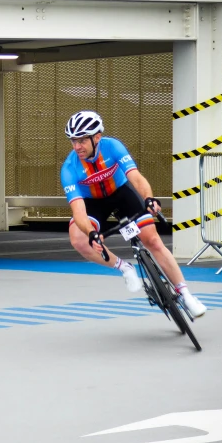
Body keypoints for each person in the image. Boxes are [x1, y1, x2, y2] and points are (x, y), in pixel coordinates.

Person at [60, 110, 207, 317]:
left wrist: (148, 198)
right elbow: (79, 211)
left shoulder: (113, 147)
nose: (77, 147)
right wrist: (91, 233)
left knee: (153, 240)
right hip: (92, 203)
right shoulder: (69, 168)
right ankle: (124, 267)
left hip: (121, 193)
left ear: (97, 138)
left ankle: (186, 294)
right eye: (73, 141)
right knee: (78, 238)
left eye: (82, 140)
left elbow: (136, 178)